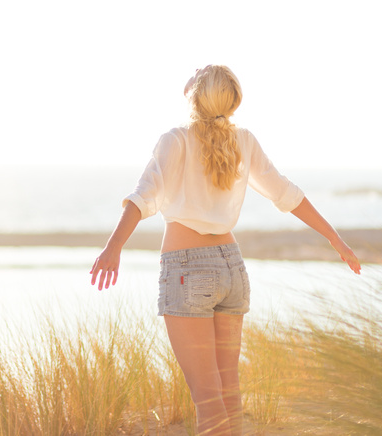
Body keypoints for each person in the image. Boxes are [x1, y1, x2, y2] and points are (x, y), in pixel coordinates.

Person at [89, 65, 361, 436]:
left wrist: (113, 247)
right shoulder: (244, 140)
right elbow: (287, 194)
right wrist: (335, 239)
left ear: (194, 94)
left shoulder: (176, 139)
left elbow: (143, 196)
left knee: (207, 397)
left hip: (188, 271)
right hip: (232, 268)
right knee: (227, 390)